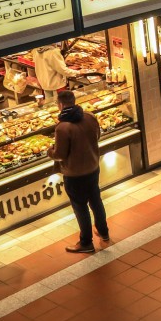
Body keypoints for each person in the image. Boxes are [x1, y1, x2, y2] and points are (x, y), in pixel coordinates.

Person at [49, 89, 108, 254]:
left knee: (80, 207)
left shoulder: (62, 127)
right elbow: (97, 136)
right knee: (96, 200)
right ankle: (103, 232)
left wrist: (50, 151)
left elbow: (60, 155)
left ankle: (86, 243)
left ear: (60, 105)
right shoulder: (90, 117)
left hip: (74, 174)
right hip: (93, 167)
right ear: (74, 101)